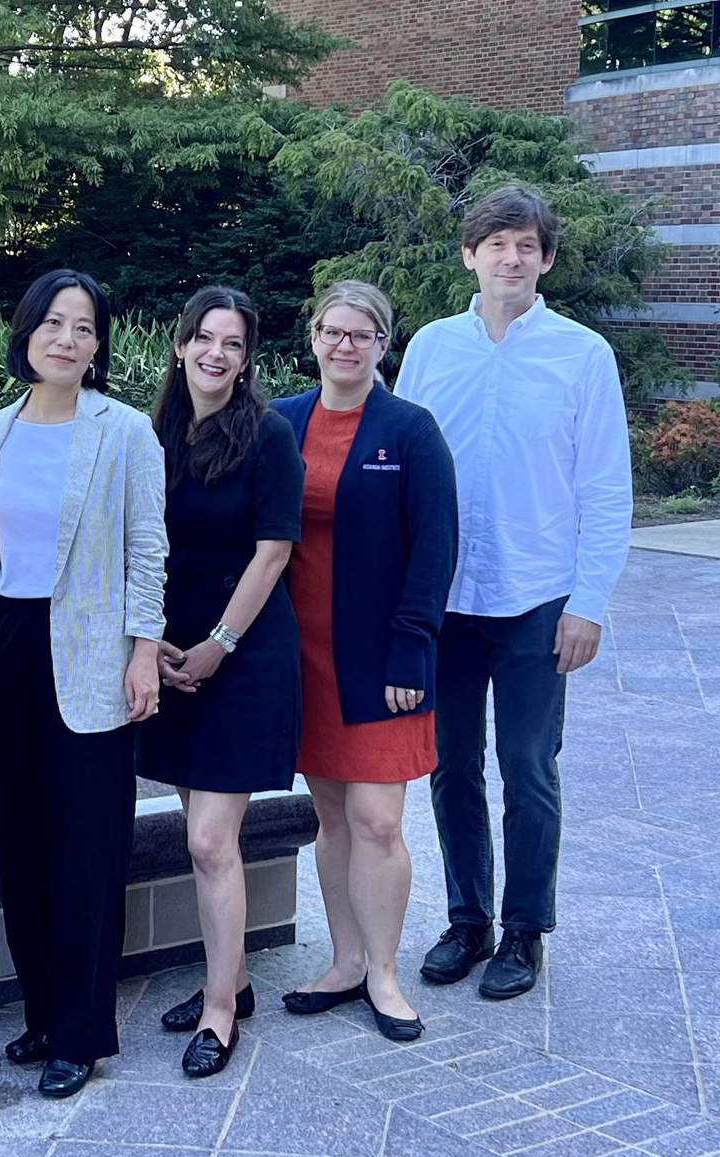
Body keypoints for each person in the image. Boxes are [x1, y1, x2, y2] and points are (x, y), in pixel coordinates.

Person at [396, 185, 632, 1001]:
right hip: (449, 598)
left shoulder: (582, 355)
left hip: (538, 598)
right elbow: (410, 475)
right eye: (496, 244)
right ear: (470, 255)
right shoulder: (430, 348)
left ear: (546, 259)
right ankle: (469, 920)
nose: (511, 257)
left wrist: (590, 601)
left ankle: (526, 930)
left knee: (528, 766)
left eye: (526, 245)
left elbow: (605, 487)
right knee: (450, 765)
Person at [0, 269, 167, 1099]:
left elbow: (148, 548)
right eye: (53, 323)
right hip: (7, 641)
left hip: (90, 650)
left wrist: (143, 649)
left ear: (98, 345)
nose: (67, 339)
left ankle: (81, 1034)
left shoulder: (123, 433)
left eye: (84, 327)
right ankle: (40, 1014)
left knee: (88, 844)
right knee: (23, 840)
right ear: (26, 333)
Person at [271, 280, 457, 1043]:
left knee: (378, 820)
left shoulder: (410, 431)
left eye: (361, 335)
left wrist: (413, 646)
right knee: (331, 814)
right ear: (313, 337)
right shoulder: (280, 421)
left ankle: (384, 973)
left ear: (384, 346)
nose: (344, 346)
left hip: (383, 658)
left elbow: (436, 546)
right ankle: (345, 961)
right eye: (331, 332)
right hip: (300, 652)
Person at [138, 287, 303, 1078]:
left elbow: (273, 553)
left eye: (232, 343)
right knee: (193, 826)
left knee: (210, 839)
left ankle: (218, 1012)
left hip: (244, 657)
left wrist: (217, 644)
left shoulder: (269, 437)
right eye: (204, 338)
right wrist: (157, 643)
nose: (216, 353)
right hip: (171, 653)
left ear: (246, 358)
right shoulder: (153, 434)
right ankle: (232, 979)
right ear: (180, 346)